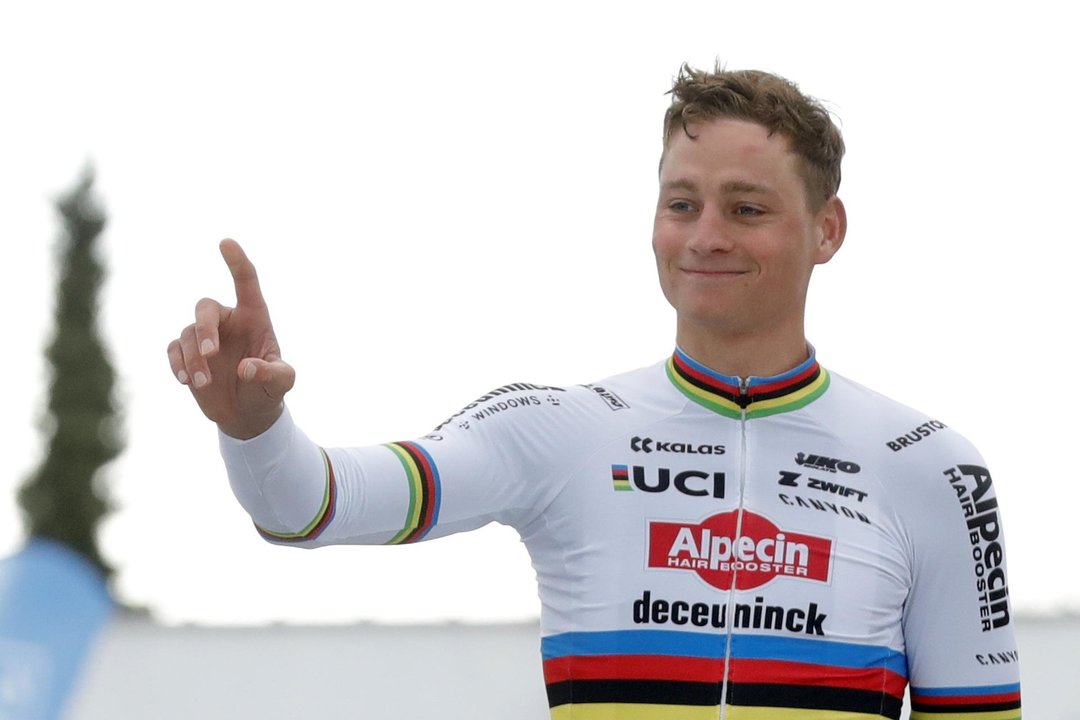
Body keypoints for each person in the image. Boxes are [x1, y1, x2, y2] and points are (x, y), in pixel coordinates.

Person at [168, 64, 1022, 719]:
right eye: (682, 203)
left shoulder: (929, 467)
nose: (706, 236)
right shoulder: (563, 431)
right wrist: (255, 426)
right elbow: (310, 506)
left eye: (747, 208)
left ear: (826, 229)